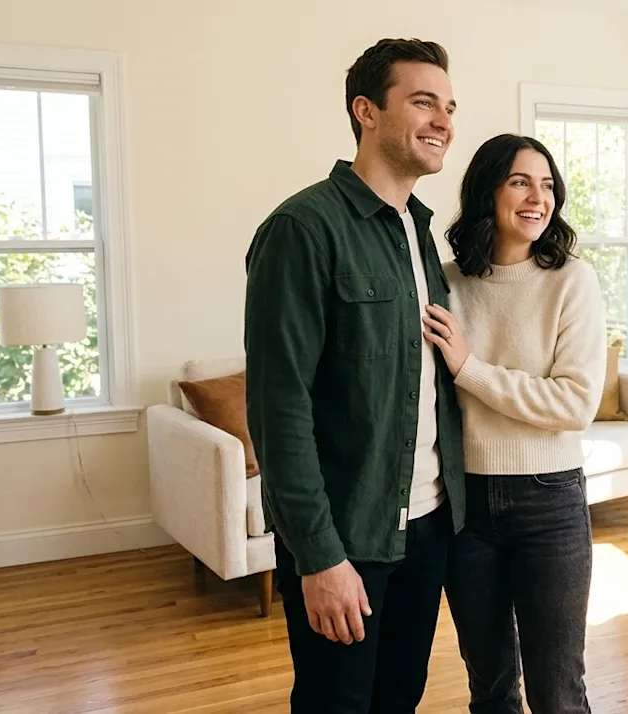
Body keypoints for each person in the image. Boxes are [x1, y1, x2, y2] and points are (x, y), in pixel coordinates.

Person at [242, 38, 466, 714]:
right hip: (347, 539)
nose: (443, 121)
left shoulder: (421, 233)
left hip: (427, 526)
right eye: (423, 101)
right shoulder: (303, 229)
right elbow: (279, 410)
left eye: (450, 106)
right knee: (335, 703)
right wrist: (318, 558)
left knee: (400, 697)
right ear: (365, 111)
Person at [421, 134, 607, 714]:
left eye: (547, 184)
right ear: (487, 191)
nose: (538, 197)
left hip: (550, 501)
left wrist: (470, 369)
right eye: (520, 181)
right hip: (463, 504)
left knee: (559, 693)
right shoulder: (445, 283)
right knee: (492, 690)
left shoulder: (572, 281)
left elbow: (574, 404)